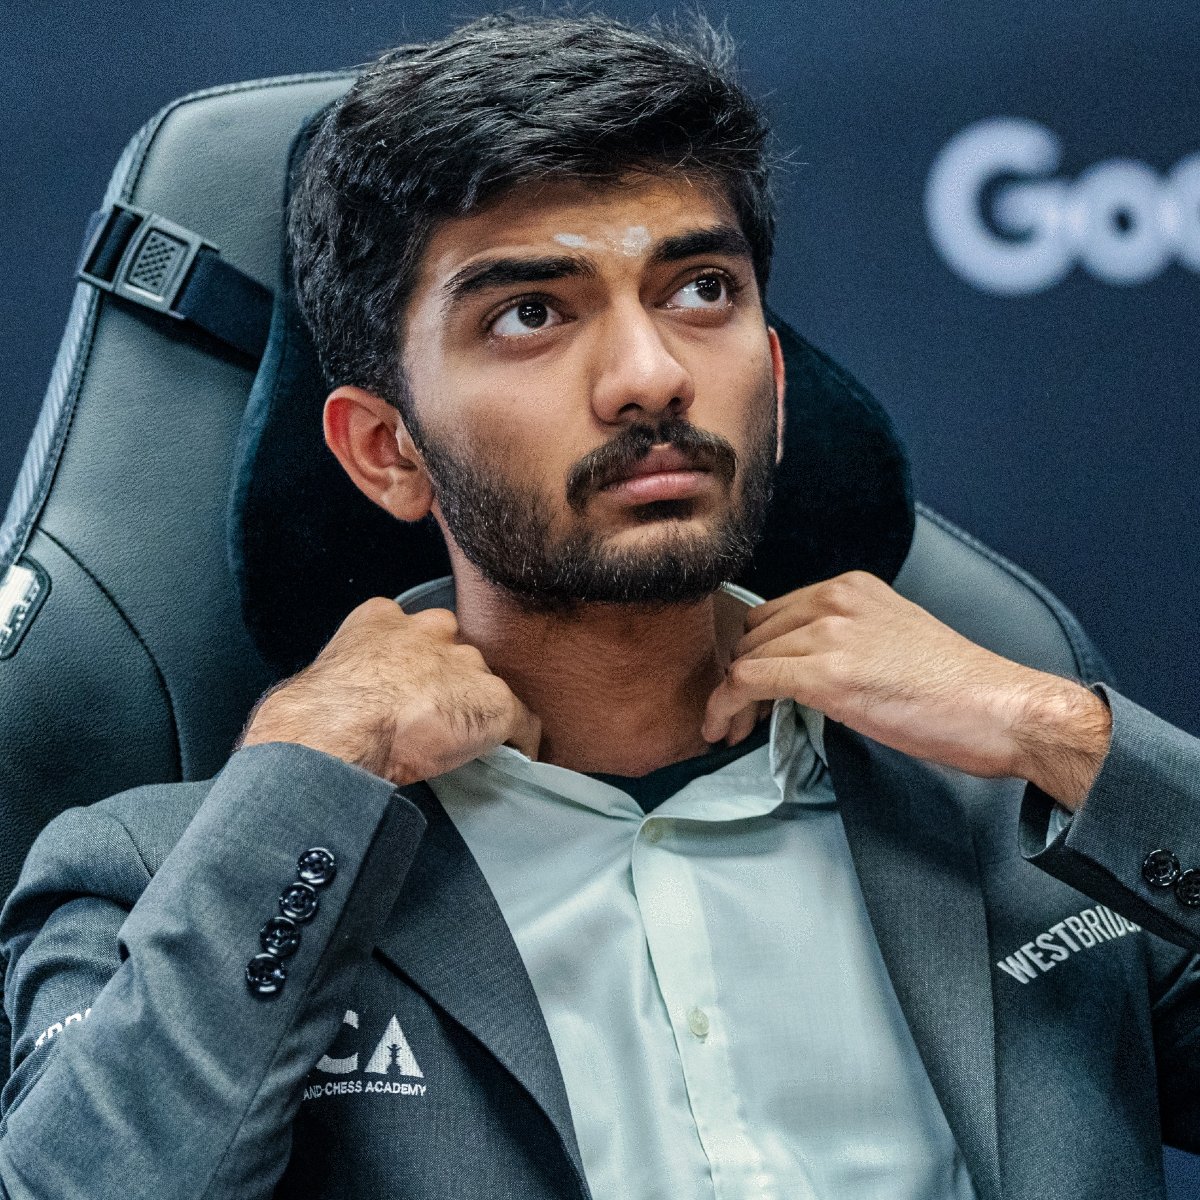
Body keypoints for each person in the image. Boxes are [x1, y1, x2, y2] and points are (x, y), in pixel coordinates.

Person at [1, 12, 1197, 1200]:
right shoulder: (154, 879)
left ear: (775, 386)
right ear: (386, 450)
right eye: (531, 311)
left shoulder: (1024, 817)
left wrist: (1059, 734)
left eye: (702, 290)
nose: (651, 376)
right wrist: (312, 770)